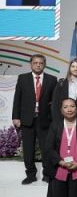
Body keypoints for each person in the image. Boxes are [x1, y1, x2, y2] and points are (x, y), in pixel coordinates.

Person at [12, 54, 56, 184]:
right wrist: (15, 116)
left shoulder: (52, 79)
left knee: (46, 148)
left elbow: (54, 102)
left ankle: (47, 174)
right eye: (35, 63)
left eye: (41, 63)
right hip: (27, 119)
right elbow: (17, 98)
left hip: (45, 120)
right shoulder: (23, 78)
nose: (38, 65)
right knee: (28, 149)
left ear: (44, 65)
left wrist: (54, 119)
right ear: (30, 64)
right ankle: (30, 175)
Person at [52, 59, 77, 124]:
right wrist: (57, 121)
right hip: (62, 119)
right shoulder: (61, 83)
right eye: (73, 66)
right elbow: (55, 104)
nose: (75, 69)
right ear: (69, 68)